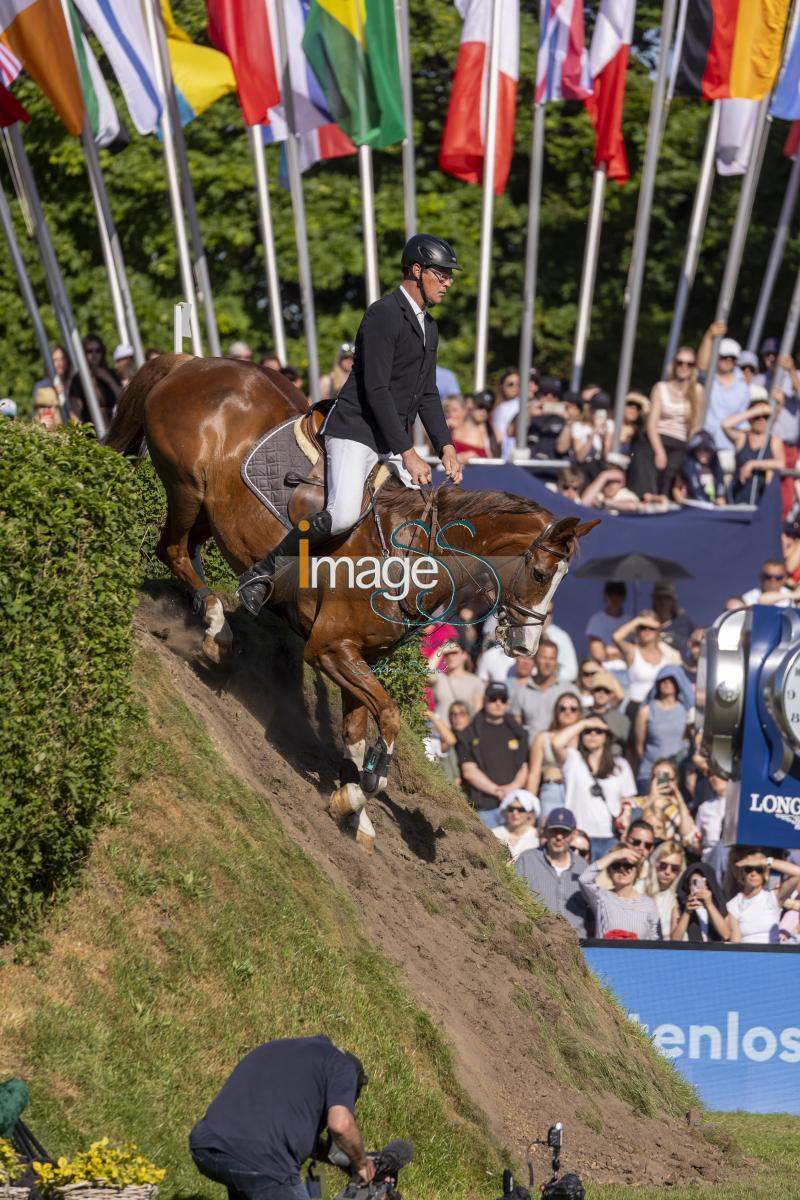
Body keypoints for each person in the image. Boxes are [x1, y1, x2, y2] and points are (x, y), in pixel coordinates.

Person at [237, 235, 464, 614]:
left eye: (448, 276)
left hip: (386, 441)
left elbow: (427, 393)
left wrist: (446, 445)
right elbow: (376, 389)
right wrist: (408, 452)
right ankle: (263, 573)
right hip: (354, 431)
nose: (448, 282)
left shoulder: (429, 326)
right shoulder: (383, 314)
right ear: (416, 270)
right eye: (441, 274)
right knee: (341, 515)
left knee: (418, 510)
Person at [189, 1035, 374, 1200]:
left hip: (206, 1143)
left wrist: (349, 1160)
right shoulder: (343, 1066)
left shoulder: (288, 1049)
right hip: (261, 1161)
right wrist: (362, 1165)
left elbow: (293, 1137)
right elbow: (341, 1125)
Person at [549, 717, 637, 857]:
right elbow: (556, 743)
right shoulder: (573, 759)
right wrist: (584, 723)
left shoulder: (620, 765)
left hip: (610, 836)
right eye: (588, 731)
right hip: (579, 837)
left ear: (607, 736)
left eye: (599, 731)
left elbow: (628, 800)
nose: (593, 735)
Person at [457, 682, 529, 827]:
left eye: (502, 699)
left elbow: (524, 767)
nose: (498, 703)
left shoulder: (518, 732)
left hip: (515, 809)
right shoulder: (469, 733)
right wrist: (497, 791)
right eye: (493, 698)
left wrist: (511, 789)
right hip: (484, 809)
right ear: (484, 700)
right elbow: (469, 772)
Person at [515, 807, 590, 937]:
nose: (559, 837)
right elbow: (514, 900)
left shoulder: (582, 866)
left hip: (577, 943)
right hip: (539, 941)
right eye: (554, 831)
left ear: (573, 834)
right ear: (545, 832)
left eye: (564, 832)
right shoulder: (527, 860)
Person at [645, 348, 702, 495]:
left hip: (680, 441)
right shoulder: (660, 388)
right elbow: (651, 424)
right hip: (659, 437)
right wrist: (659, 451)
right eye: (680, 362)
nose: (684, 367)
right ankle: (642, 498)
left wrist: (690, 451)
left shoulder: (697, 391)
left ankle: (663, 498)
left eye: (689, 364)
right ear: (674, 365)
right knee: (643, 456)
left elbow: (695, 427)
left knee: (674, 467)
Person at [697, 324, 752, 466]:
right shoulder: (709, 379)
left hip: (729, 448)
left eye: (732, 358)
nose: (728, 361)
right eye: (724, 357)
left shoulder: (743, 387)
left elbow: (743, 421)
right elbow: (702, 365)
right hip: (705, 446)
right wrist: (709, 336)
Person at [579, 845, 661, 939]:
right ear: (609, 871)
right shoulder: (600, 897)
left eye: (628, 866)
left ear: (637, 870)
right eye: (616, 865)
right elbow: (584, 879)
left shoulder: (648, 904)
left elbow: (655, 940)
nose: (622, 870)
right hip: (605, 953)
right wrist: (614, 855)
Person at [633, 665, 692, 792]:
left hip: (676, 772)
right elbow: (639, 746)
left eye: (671, 680)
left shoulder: (685, 711)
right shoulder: (646, 711)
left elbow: (688, 738)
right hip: (651, 772)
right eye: (663, 680)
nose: (667, 683)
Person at [526, 691, 583, 815]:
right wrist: (529, 806)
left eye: (573, 709)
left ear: (579, 713)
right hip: (553, 789)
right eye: (562, 708)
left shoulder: (585, 737)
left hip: (580, 792)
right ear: (556, 711)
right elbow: (534, 774)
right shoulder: (543, 737)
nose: (567, 712)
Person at [722, 398, 786, 505]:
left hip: (760, 499)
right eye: (757, 417)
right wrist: (755, 411)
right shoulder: (742, 438)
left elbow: (781, 463)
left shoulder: (773, 441)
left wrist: (753, 464)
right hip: (736, 497)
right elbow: (725, 425)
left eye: (766, 417)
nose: (762, 420)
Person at [612, 611, 681, 708]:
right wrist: (638, 620)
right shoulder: (632, 651)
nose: (647, 630)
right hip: (636, 706)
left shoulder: (668, 653)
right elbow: (616, 637)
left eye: (652, 628)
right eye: (643, 627)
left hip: (660, 708)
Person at [728, 852, 800, 943]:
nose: (753, 873)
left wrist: (764, 861)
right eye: (749, 869)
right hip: (747, 953)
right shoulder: (734, 904)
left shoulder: (773, 897)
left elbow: (798, 873)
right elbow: (735, 943)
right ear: (742, 874)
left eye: (759, 869)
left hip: (773, 953)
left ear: (765, 874)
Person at [509, 640, 567, 739]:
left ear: (556, 662)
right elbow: (515, 729)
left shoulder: (567, 691)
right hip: (529, 750)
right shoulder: (522, 692)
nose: (548, 663)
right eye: (544, 658)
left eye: (552, 658)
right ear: (535, 660)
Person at [637, 759, 699, 849]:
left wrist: (679, 800)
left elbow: (688, 835)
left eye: (668, 778)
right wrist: (652, 798)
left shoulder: (677, 809)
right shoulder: (635, 802)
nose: (663, 781)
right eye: (658, 777)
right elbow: (630, 826)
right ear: (651, 778)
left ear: (675, 781)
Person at [68, 333, 121, 427]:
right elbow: (75, 410)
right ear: (84, 353)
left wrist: (108, 379)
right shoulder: (79, 379)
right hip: (91, 429)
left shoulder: (112, 374)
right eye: (90, 351)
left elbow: (122, 398)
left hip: (114, 425)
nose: (94, 354)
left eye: (98, 350)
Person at [671, 863, 731, 942]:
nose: (698, 888)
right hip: (690, 951)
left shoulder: (719, 906)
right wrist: (686, 912)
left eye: (701, 883)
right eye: (694, 883)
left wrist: (709, 905)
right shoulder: (679, 909)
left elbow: (726, 935)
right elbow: (675, 940)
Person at [428, 641, 484, 723]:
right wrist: (440, 650)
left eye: (454, 653)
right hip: (440, 732)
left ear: (464, 655)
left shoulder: (475, 681)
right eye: (447, 654)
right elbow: (425, 674)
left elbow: (477, 712)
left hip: (464, 733)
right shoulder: (440, 679)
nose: (451, 657)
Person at [645, 840, 686, 936]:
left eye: (674, 868)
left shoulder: (681, 899)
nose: (667, 872)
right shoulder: (639, 888)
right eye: (663, 865)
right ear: (654, 863)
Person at [585, 670, 630, 757]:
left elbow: (628, 748)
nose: (601, 694)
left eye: (606, 691)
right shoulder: (581, 714)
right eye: (598, 690)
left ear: (611, 694)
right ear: (591, 692)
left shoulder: (621, 720)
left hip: (613, 762)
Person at [585, 581, 627, 665]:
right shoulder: (596, 621)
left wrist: (610, 651)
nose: (615, 597)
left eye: (619, 593)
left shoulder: (630, 621)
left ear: (624, 596)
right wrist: (621, 653)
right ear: (605, 595)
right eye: (611, 593)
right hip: (602, 670)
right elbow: (599, 655)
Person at [492, 788, 540, 860]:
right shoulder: (494, 833)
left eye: (520, 810)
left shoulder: (536, 837)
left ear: (529, 813)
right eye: (511, 809)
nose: (515, 813)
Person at [431, 700, 472, 782]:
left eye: (462, 714)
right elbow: (450, 741)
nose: (457, 717)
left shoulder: (476, 739)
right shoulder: (446, 737)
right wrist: (431, 715)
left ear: (469, 716)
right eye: (454, 714)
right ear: (449, 717)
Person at [649, 583, 696, 656]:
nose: (663, 601)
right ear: (653, 600)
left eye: (667, 597)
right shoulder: (646, 625)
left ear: (673, 600)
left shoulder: (685, 623)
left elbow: (696, 643)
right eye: (659, 597)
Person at [681, 431, 726, 504]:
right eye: (699, 449)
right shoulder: (688, 467)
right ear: (694, 450)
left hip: (713, 508)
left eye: (707, 450)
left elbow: (720, 489)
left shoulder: (716, 468)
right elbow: (677, 489)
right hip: (694, 507)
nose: (703, 453)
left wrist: (720, 498)